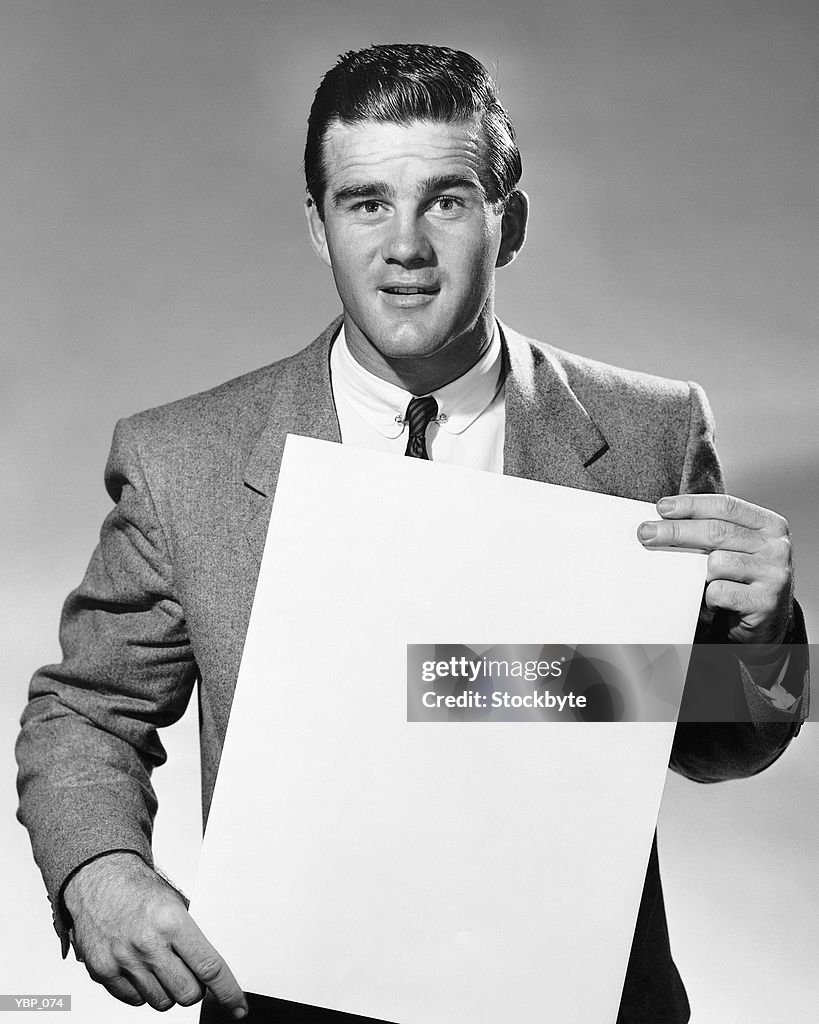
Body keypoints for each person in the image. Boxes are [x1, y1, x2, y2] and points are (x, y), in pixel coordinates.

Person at [16, 43, 808, 1024]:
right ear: (319, 226)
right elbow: (87, 710)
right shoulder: (185, 461)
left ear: (507, 221)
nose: (405, 246)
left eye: (446, 199)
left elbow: (710, 738)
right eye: (365, 203)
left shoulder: (652, 436)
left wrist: (760, 628)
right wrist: (98, 869)